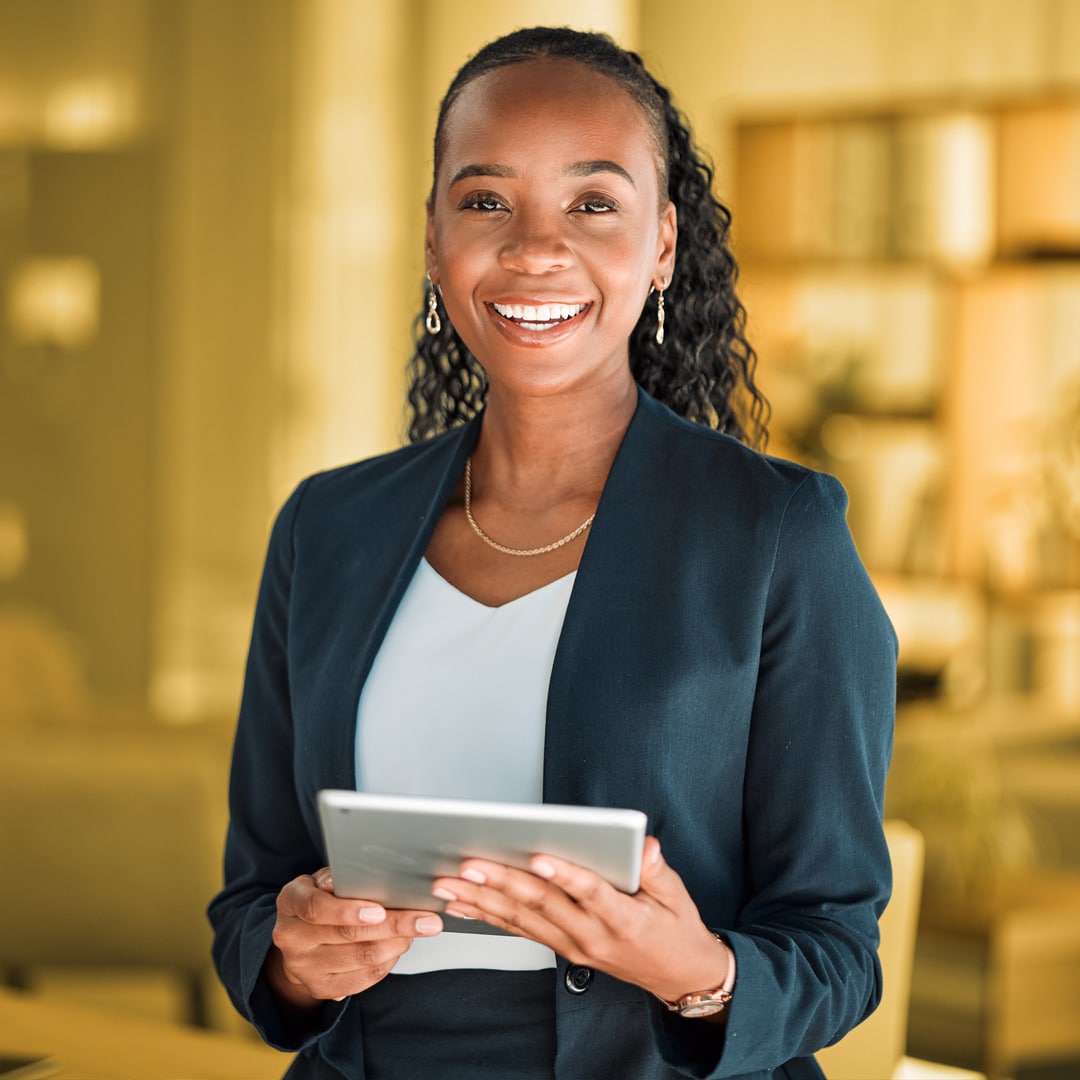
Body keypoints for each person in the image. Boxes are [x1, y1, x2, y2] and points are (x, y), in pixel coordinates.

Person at [208, 25, 897, 1080]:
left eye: (593, 203)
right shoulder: (327, 529)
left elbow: (838, 946)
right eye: (485, 202)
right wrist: (295, 961)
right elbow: (253, 897)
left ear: (662, 244)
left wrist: (698, 971)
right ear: (434, 241)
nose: (535, 249)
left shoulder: (776, 535)